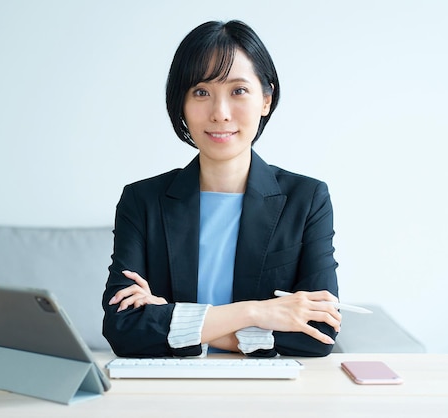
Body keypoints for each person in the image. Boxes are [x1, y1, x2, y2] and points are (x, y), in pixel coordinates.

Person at [102, 20, 341, 358]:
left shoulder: (307, 200)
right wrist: (255, 312)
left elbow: (318, 333)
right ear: (181, 104)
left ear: (266, 99)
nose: (220, 113)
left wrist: (176, 324)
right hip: (167, 387)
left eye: (238, 91)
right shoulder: (142, 201)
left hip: (267, 391)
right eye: (201, 92)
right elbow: (123, 329)